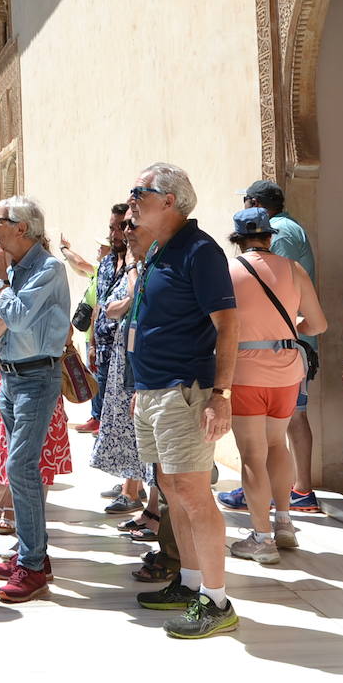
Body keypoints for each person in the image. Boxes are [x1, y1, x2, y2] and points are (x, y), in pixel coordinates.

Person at [127, 162, 239, 639]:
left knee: (193, 494)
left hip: (185, 392)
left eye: (140, 191)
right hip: (152, 391)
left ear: (169, 200)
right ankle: (190, 583)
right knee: (172, 492)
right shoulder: (159, 251)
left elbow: (228, 325)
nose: (131, 199)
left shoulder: (200, 251)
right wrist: (138, 388)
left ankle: (217, 602)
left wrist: (221, 395)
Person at [0, 196, 70, 603]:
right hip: (11, 377)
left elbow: (12, 318)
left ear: (21, 227)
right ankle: (33, 554)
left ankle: (32, 565)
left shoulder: (48, 269)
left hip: (36, 377)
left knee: (20, 467)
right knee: (22, 471)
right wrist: (3, 305)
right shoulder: (14, 270)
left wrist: (0, 286)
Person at [225, 207, 327, 565]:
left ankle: (262, 539)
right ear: (270, 236)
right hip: (286, 371)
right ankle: (284, 522)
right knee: (276, 445)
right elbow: (317, 324)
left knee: (253, 454)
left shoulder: (229, 271)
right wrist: (283, 329)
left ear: (237, 239)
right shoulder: (293, 270)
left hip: (245, 372)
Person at [91, 215, 150, 516]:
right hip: (120, 358)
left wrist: (130, 271)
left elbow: (133, 295)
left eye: (131, 230)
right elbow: (109, 309)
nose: (126, 236)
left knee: (135, 425)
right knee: (124, 425)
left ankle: (135, 492)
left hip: (137, 360)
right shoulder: (126, 270)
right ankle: (132, 487)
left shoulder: (142, 268)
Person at [80, 205, 129, 434]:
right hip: (103, 351)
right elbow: (98, 305)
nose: (115, 233)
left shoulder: (136, 264)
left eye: (120, 227)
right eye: (112, 227)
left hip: (126, 355)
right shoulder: (107, 263)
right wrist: (92, 344)